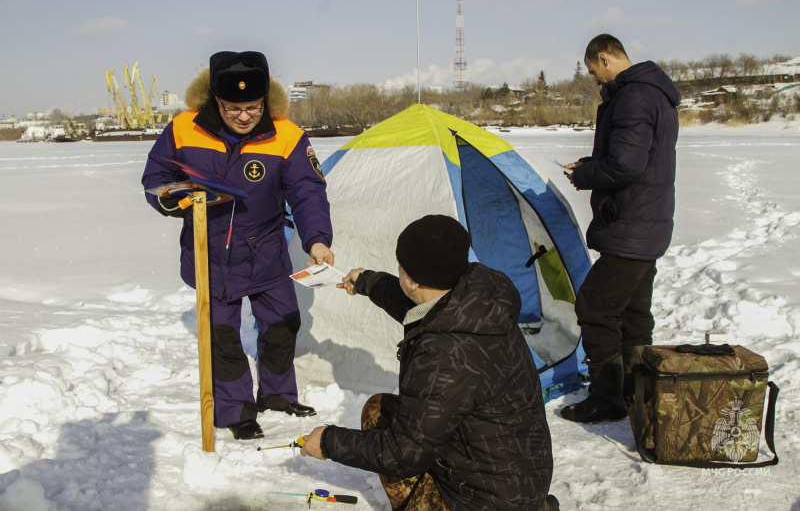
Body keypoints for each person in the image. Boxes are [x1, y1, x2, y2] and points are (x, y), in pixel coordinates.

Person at [300, 215, 557, 511]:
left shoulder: (445, 355)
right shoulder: (476, 299)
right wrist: (367, 281)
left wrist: (328, 441)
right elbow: (419, 306)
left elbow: (403, 453)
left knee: (382, 426)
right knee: (379, 409)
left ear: (414, 279)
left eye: (402, 268)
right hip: (517, 473)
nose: (399, 273)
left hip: (488, 499)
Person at [141, 51, 333, 440]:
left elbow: (308, 191)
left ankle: (278, 395)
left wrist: (316, 240)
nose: (244, 116)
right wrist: (176, 196)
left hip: (266, 250)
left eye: (253, 107)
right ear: (215, 99)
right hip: (209, 251)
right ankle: (235, 410)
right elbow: (156, 177)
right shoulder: (183, 128)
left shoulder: (288, 135)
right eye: (233, 108)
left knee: (282, 324)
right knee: (223, 336)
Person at [561, 34, 680, 423]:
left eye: (596, 74)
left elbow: (626, 165)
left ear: (605, 58)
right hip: (648, 222)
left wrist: (585, 175)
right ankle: (635, 388)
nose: (599, 82)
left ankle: (608, 396)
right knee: (632, 313)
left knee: (595, 305)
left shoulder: (633, 96)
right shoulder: (654, 93)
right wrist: (589, 164)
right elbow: (631, 158)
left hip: (633, 224)